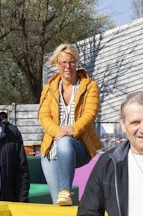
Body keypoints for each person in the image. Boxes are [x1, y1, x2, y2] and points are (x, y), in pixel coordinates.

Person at [37, 43, 101, 206]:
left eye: (71, 62)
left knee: (65, 143)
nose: (67, 66)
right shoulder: (48, 88)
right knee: (58, 202)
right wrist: (58, 131)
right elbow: (43, 116)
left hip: (78, 144)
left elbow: (90, 114)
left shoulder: (89, 86)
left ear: (77, 63)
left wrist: (71, 130)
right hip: (51, 149)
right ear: (57, 64)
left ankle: (66, 189)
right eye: (63, 62)